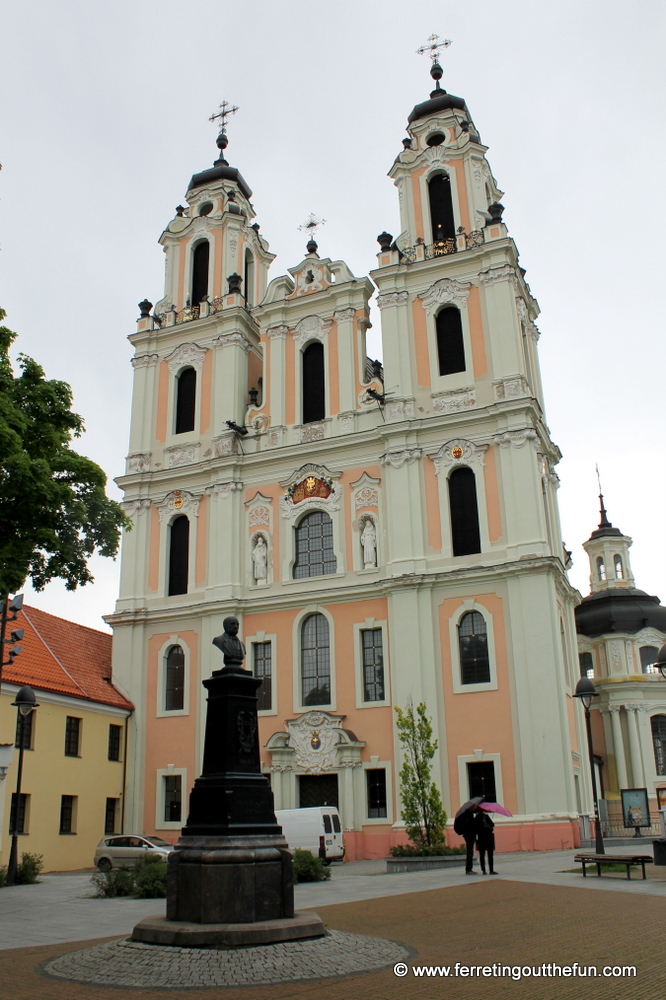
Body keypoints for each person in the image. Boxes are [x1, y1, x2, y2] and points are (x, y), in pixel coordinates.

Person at [454, 807, 478, 875]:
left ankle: (469, 869)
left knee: (470, 851)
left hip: (467, 834)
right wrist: (474, 821)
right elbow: (469, 825)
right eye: (474, 806)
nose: (475, 807)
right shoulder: (469, 815)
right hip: (469, 834)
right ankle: (468, 869)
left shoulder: (466, 814)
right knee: (470, 852)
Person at [474, 807, 497, 874]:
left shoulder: (476, 819)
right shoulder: (486, 817)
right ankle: (491, 870)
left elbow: (475, 829)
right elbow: (492, 824)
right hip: (488, 837)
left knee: (482, 855)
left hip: (481, 838)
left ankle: (483, 870)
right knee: (490, 854)